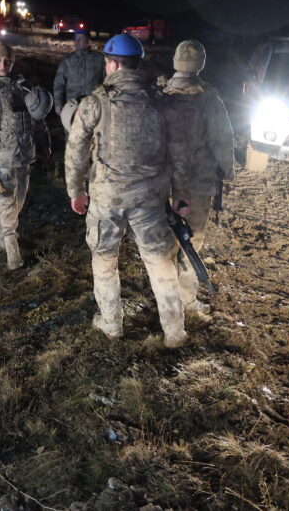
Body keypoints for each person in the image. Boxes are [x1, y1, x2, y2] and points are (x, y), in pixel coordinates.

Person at [64, 33, 189, 348]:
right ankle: (174, 332)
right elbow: (179, 152)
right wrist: (181, 194)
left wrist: (75, 190)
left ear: (113, 64)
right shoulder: (161, 101)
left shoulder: (95, 102)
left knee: (105, 259)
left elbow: (76, 150)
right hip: (151, 199)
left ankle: (111, 325)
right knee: (160, 261)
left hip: (107, 198)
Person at [162, 40, 235, 319]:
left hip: (164, 182)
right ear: (200, 65)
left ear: (175, 61)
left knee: (166, 243)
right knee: (192, 240)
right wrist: (227, 169)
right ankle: (187, 302)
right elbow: (222, 138)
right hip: (198, 181)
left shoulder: (161, 94)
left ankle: (165, 298)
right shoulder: (209, 97)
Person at [0, 41, 50, 270]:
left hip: (25, 155)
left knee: (18, 201)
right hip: (1, 159)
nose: (3, 64)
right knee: (6, 202)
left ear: (13, 62)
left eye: (7, 60)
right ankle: (13, 255)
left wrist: (45, 144)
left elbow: (38, 119)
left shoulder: (24, 86)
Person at [53, 29, 104, 135]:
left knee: (93, 138)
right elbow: (59, 83)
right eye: (76, 39)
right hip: (72, 108)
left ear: (88, 41)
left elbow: (107, 81)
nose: (77, 41)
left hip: (93, 108)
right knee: (72, 136)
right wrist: (58, 103)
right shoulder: (68, 60)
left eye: (81, 38)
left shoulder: (99, 59)